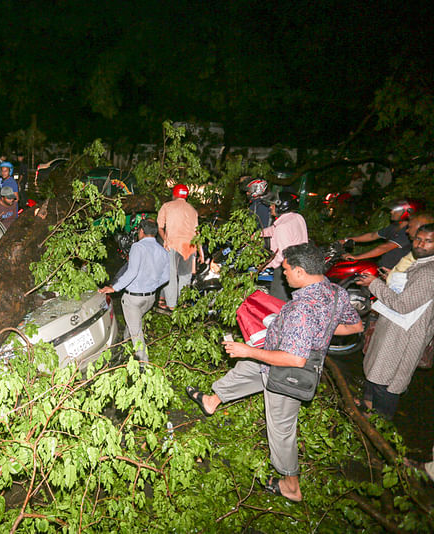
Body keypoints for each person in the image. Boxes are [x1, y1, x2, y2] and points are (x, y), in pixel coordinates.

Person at [186, 243, 363, 503]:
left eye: (287, 270)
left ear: (302, 272)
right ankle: (213, 400)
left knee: (281, 429)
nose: (283, 274)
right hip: (276, 356)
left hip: (289, 372)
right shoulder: (335, 293)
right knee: (249, 370)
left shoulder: (300, 310)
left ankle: (291, 485)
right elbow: (355, 325)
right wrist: (319, 331)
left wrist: (248, 350)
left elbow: (294, 358)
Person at [355, 223, 434, 419]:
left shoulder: (429, 272)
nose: (420, 244)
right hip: (395, 326)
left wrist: (373, 283)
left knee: (387, 380)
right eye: (418, 239)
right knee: (377, 370)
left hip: (403, 334)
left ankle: (381, 423)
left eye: (428, 241)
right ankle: (368, 406)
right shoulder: (423, 264)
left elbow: (403, 304)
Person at [99, 219, 171, 366]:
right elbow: (167, 276)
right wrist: (152, 285)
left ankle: (144, 367)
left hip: (133, 300)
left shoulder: (138, 247)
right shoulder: (163, 251)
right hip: (150, 299)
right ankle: (125, 347)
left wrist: (114, 288)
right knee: (134, 325)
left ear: (142, 231)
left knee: (137, 334)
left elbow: (131, 272)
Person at [339, 199, 419, 270]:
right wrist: (346, 240)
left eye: (396, 210)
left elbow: (384, 248)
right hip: (383, 267)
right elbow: (372, 235)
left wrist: (356, 257)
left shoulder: (408, 231)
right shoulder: (395, 227)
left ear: (407, 212)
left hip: (393, 273)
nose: (391, 212)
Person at [156, 184, 198, 312]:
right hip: (189, 247)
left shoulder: (167, 206)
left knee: (171, 275)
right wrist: (198, 254)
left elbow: (160, 227)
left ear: (174, 194)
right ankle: (183, 304)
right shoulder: (192, 210)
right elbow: (197, 233)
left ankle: (172, 306)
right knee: (185, 276)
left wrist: (165, 239)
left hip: (172, 245)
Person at [261, 192, 308, 301]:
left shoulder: (282, 227)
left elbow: (282, 256)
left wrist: (265, 265)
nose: (270, 207)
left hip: (286, 269)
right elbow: (274, 229)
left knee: (277, 302)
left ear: (281, 206)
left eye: (273, 205)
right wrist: (259, 234)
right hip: (302, 264)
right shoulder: (297, 217)